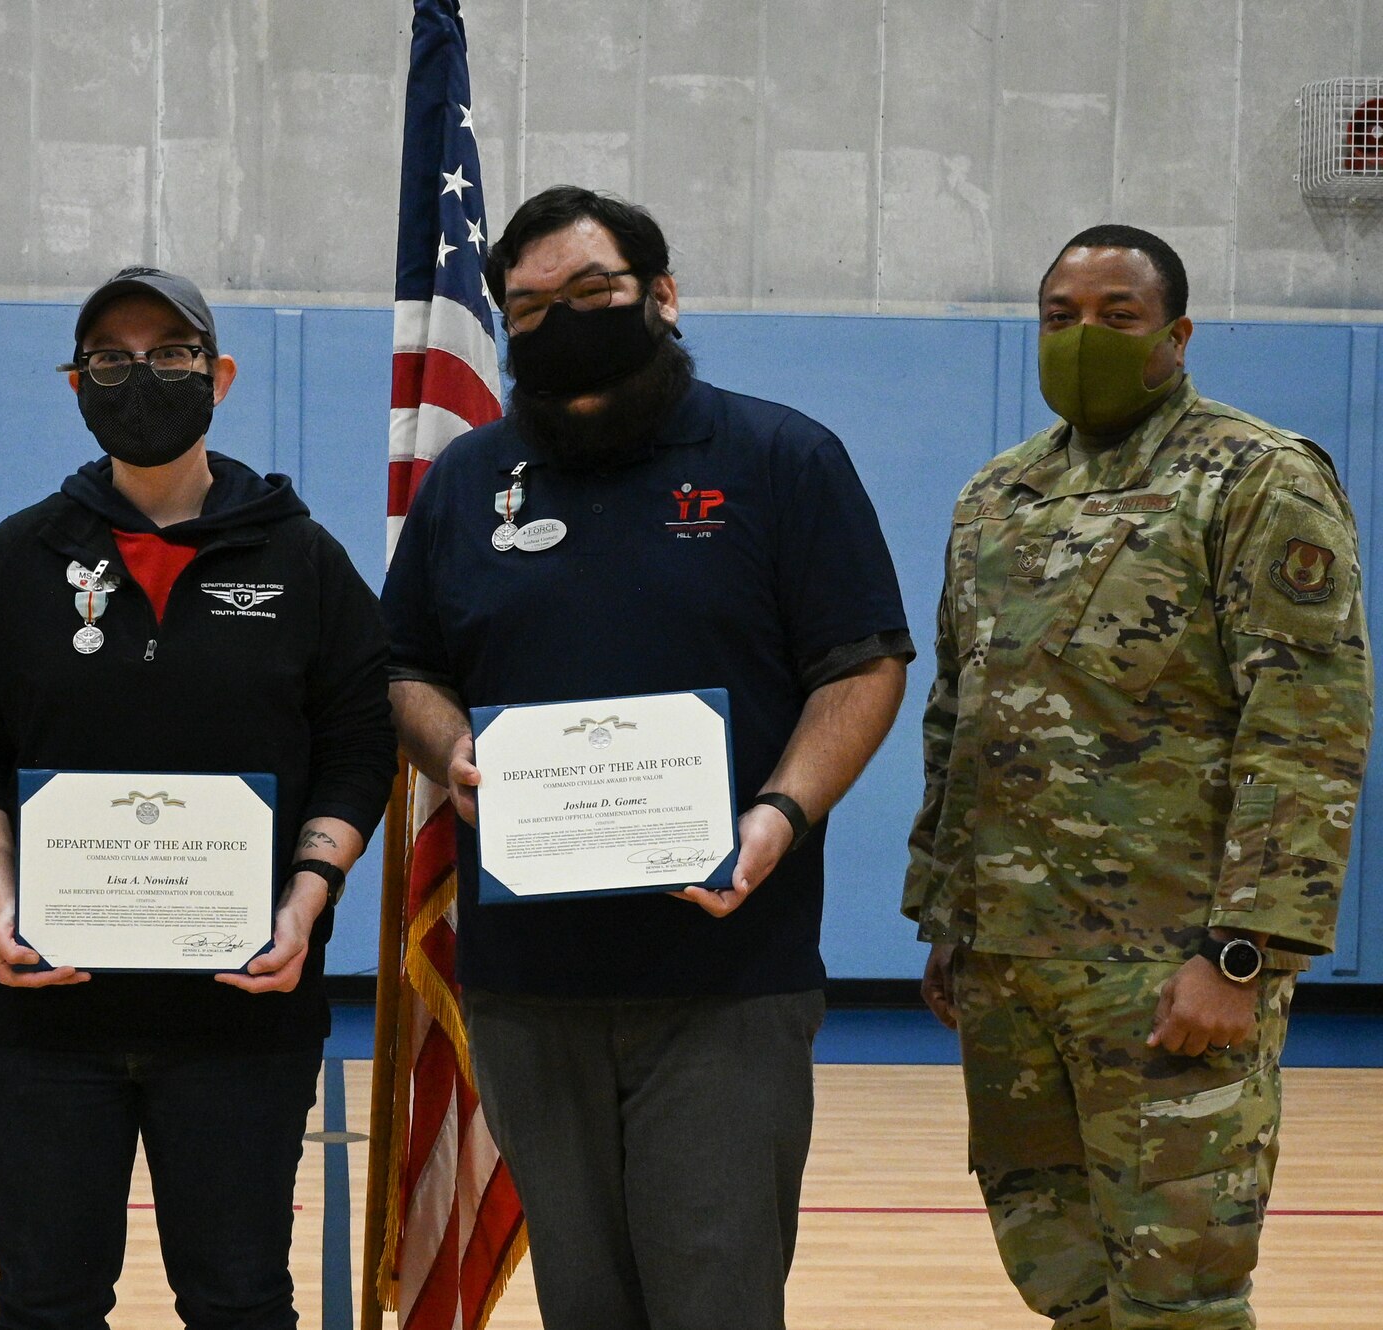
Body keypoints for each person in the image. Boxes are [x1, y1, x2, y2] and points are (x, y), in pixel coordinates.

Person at [382, 186, 912, 1330]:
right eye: (525, 307)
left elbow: (862, 664)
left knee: (713, 1297)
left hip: (723, 975)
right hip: (527, 978)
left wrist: (778, 813)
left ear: (661, 297)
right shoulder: (469, 480)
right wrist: (455, 746)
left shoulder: (778, 457)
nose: (557, 320)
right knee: (583, 1302)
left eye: (589, 293)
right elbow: (405, 669)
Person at [904, 225, 1372, 1329]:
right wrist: (944, 913)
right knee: (1059, 1276)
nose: (1082, 337)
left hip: (1169, 969)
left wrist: (1240, 950)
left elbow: (1305, 728)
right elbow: (955, 712)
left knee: (1180, 1291)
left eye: (1115, 316)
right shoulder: (995, 495)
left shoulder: (1254, 476)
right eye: (1058, 316)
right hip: (1009, 963)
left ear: (1174, 333)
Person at [0, 266, 397, 1330]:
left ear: (217, 375)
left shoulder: (302, 559)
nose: (141, 376)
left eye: (170, 353)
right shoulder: (19, 554)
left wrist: (304, 900)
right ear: (76, 383)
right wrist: (2, 903)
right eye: (110, 359)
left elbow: (360, 746)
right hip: (44, 1011)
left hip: (241, 1012)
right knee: (46, 1299)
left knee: (236, 1298)